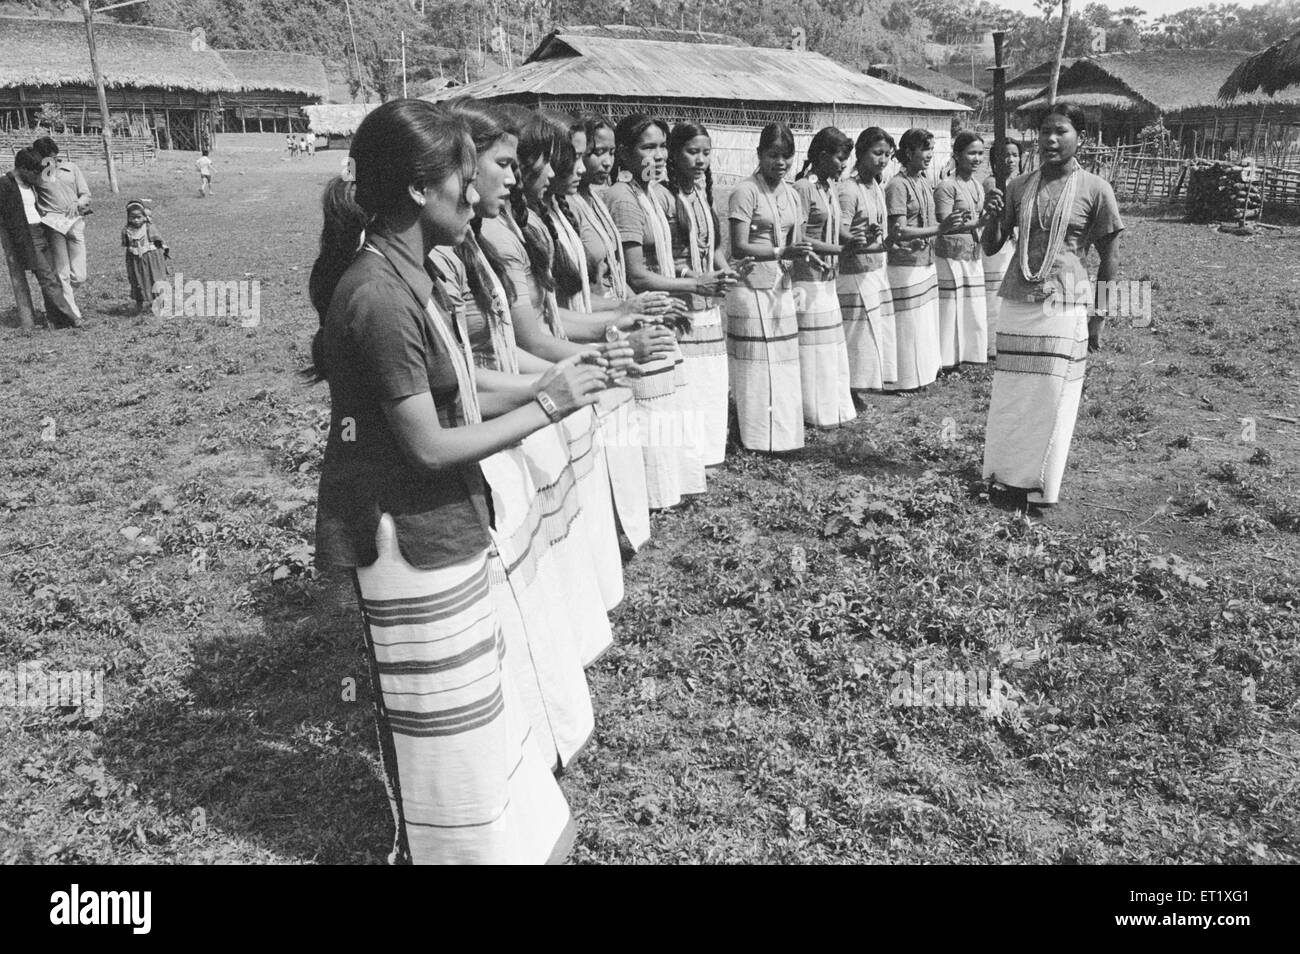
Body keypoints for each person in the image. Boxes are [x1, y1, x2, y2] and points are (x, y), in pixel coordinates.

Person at [309, 99, 594, 864]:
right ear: (415, 190)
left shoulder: (417, 274)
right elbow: (430, 445)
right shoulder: (377, 297)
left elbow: (461, 385)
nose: (476, 196)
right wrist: (544, 403)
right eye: (464, 180)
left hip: (441, 522)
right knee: (447, 727)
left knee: (474, 708)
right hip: (408, 535)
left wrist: (564, 377)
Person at [980, 103, 1124, 507]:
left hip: (1064, 301)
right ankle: (1004, 476)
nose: (1050, 140)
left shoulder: (1096, 188)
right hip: (1017, 301)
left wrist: (1099, 317)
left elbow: (1110, 258)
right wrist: (989, 217)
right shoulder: (1018, 186)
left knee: (1050, 394)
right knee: (1011, 392)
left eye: (1060, 131)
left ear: (1081, 137)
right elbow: (992, 245)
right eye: (1044, 132)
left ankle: (1039, 484)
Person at [606, 112, 720, 506]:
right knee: (651, 408)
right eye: (645, 147)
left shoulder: (651, 195)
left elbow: (661, 257)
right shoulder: (623, 198)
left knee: (667, 405)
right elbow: (637, 274)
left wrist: (687, 273)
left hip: (662, 306)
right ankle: (652, 495)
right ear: (623, 153)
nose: (655, 155)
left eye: (659, 146)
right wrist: (692, 285)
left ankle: (668, 488)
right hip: (644, 309)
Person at [725, 122, 807, 452]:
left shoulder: (791, 193)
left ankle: (784, 436)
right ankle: (756, 438)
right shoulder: (745, 191)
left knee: (783, 363)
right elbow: (739, 246)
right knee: (755, 368)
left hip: (780, 285)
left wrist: (801, 257)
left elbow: (797, 241)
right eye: (773, 155)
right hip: (750, 286)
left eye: (787, 156)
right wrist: (779, 252)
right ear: (759, 154)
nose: (781, 163)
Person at [663, 122, 734, 467]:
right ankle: (690, 455)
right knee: (690, 380)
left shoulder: (701, 194)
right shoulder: (665, 195)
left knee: (710, 379)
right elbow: (665, 258)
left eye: (706, 153)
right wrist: (697, 277)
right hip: (685, 297)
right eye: (692, 152)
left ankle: (709, 450)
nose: (700, 160)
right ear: (674, 154)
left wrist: (727, 269)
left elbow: (713, 246)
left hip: (707, 298)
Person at [883, 128, 965, 392]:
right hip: (905, 265)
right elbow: (899, 230)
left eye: (931, 149)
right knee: (908, 325)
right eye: (925, 149)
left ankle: (924, 375)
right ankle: (904, 380)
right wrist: (940, 230)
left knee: (924, 321)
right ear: (909, 152)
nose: (930, 155)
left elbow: (927, 224)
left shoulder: (923, 182)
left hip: (925, 260)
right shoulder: (897, 185)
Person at [792, 126, 856, 427]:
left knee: (829, 345)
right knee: (812, 348)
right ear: (821, 155)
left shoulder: (829, 186)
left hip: (827, 275)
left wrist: (855, 240)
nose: (844, 164)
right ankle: (812, 410)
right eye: (840, 158)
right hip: (806, 276)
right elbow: (800, 236)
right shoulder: (804, 187)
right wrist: (840, 248)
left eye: (846, 159)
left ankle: (832, 406)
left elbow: (837, 230)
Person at [837, 127, 896, 394]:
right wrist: (858, 237)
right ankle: (850, 387)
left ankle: (865, 384)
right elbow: (841, 230)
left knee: (874, 329)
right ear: (860, 153)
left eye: (886, 154)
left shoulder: (876, 186)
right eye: (876, 153)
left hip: (875, 265)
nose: (882, 160)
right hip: (854, 270)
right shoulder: (849, 189)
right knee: (857, 331)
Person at [0, 148, 79, 328]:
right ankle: (72, 318)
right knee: (47, 279)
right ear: (22, 168)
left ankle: (55, 319)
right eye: (34, 172)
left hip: (42, 231)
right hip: (26, 236)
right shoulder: (5, 184)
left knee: (54, 277)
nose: (37, 176)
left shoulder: (31, 184)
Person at [934, 130, 992, 368]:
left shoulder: (977, 186)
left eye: (980, 153)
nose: (977, 159)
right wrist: (977, 223)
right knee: (950, 309)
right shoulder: (947, 186)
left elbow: (979, 218)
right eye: (971, 153)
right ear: (957, 155)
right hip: (951, 255)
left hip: (972, 252)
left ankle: (971, 354)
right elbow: (944, 222)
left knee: (973, 307)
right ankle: (946, 359)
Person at [32, 136, 90, 324]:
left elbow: (86, 194)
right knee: (62, 273)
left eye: (54, 157)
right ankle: (73, 314)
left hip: (75, 223)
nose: (52, 162)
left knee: (80, 276)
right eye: (46, 158)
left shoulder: (71, 168)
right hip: (53, 226)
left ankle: (63, 294)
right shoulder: (37, 175)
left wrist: (79, 202)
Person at [982, 140, 1021, 359]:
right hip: (998, 241)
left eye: (1015, 155)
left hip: (1014, 243)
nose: (1011, 160)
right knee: (993, 295)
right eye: (1005, 155)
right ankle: (990, 343)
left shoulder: (1020, 182)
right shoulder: (992, 183)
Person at [122, 200, 168, 314]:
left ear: (144, 217)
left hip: (151, 259)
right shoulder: (126, 230)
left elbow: (159, 241)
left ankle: (160, 305)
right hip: (135, 260)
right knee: (137, 281)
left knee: (155, 279)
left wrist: (164, 250)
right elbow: (127, 245)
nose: (136, 220)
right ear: (128, 217)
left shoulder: (149, 228)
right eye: (133, 217)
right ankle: (139, 306)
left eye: (139, 217)